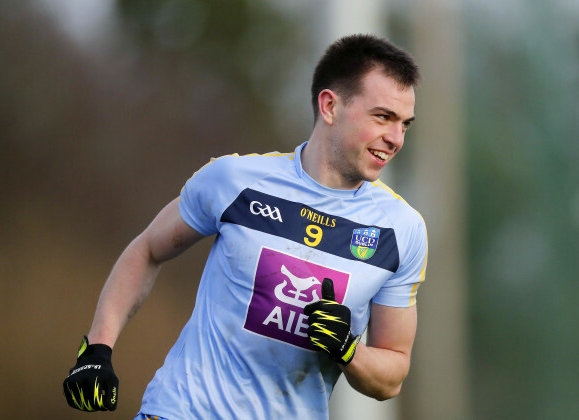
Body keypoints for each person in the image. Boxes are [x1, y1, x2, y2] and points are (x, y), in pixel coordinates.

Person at [63, 33, 427, 419]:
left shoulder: (401, 230)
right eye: (383, 117)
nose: (396, 138)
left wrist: (349, 351)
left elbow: (393, 373)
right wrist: (98, 348)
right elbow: (148, 249)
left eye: (405, 124)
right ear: (330, 106)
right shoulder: (234, 181)